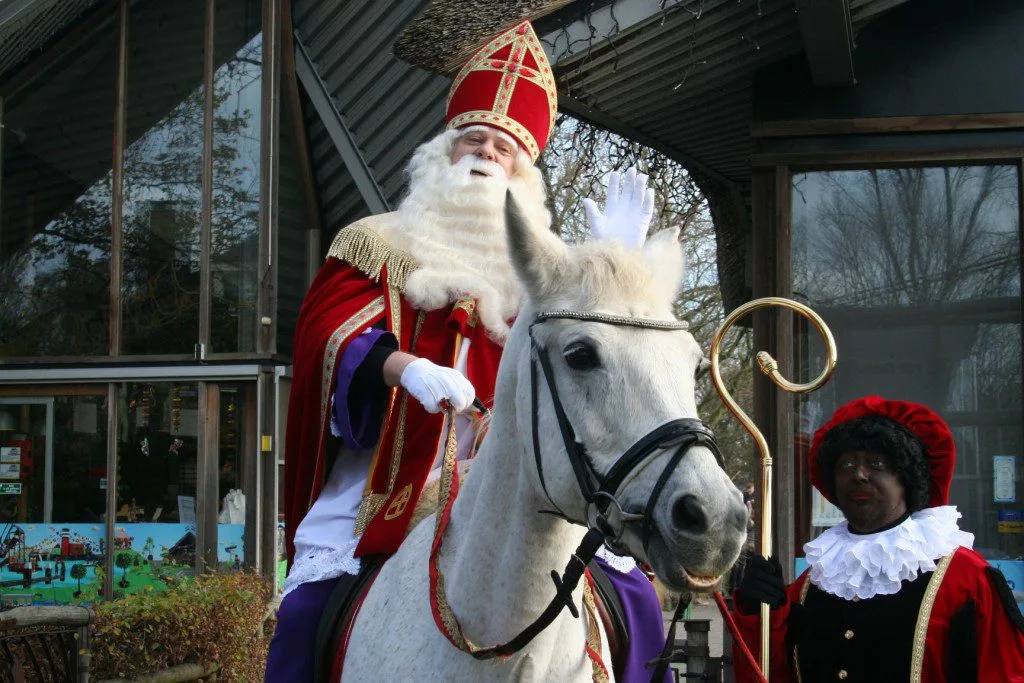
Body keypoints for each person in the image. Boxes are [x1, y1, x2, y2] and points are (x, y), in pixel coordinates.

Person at [264, 20, 667, 683]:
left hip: (514, 479)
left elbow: (606, 356)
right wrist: (404, 368)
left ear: (525, 172)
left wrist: (618, 269)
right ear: (443, 152)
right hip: (387, 481)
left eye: (504, 147)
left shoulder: (545, 271)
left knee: (635, 600)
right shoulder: (375, 242)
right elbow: (324, 335)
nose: (485, 153)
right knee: (307, 614)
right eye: (472, 139)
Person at [731, 395, 1024, 682]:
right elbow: (766, 674)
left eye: (876, 464)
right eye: (845, 465)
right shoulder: (813, 582)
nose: (858, 474)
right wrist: (757, 618)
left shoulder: (967, 580)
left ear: (906, 480)